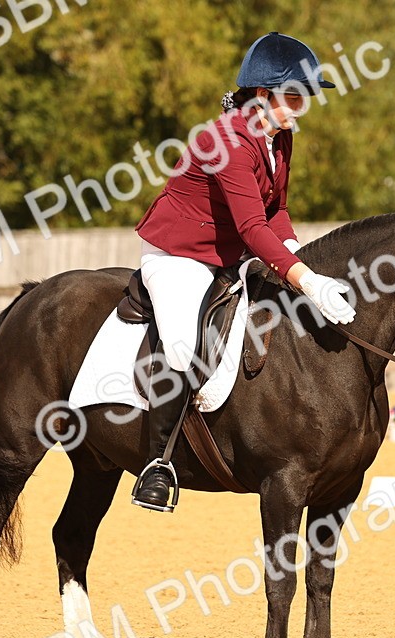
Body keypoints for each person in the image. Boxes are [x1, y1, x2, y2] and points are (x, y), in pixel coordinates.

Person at [130, 31, 356, 512]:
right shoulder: (227, 140)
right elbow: (253, 226)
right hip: (181, 254)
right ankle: (158, 463)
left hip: (231, 252)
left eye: (305, 96)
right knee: (182, 343)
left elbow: (276, 211)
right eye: (293, 95)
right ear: (261, 93)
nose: (302, 107)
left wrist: (298, 257)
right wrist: (305, 279)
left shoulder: (279, 135)